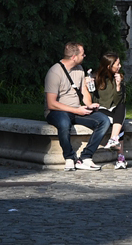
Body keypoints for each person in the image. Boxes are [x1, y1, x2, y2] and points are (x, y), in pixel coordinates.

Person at [44, 42, 111, 171]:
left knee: (104, 120)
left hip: (76, 109)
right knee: (64, 123)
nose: (84, 56)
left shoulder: (79, 69)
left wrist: (90, 105)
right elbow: (51, 103)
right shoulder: (54, 72)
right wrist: (76, 110)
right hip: (57, 111)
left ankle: (85, 157)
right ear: (74, 57)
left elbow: (83, 92)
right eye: (82, 54)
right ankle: (69, 157)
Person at [92, 52, 129, 169]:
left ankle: (113, 139)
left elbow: (120, 101)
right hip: (101, 109)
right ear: (109, 66)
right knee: (120, 125)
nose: (120, 66)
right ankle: (120, 157)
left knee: (121, 108)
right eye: (117, 64)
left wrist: (118, 86)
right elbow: (91, 99)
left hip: (114, 109)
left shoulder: (119, 78)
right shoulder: (96, 78)